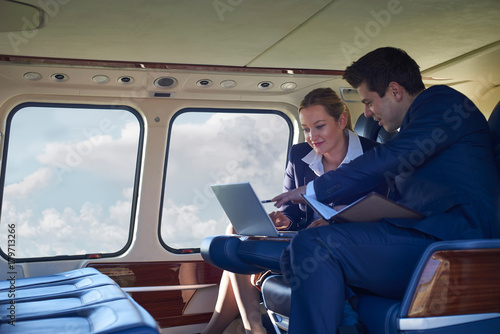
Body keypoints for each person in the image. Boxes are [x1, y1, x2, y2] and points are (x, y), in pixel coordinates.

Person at [271, 47, 500, 333]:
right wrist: (349, 214)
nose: (366, 112)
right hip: (427, 235)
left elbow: (390, 158)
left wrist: (315, 188)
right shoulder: (415, 128)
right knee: (301, 246)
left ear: (394, 90)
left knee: (313, 246)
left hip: (459, 242)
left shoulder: (442, 104)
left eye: (369, 102)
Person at [202, 88, 382, 334]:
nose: (311, 136)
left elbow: (380, 215)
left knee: (236, 252)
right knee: (235, 231)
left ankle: (240, 330)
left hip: (342, 246)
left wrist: (336, 225)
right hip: (301, 237)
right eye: (306, 129)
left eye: (319, 126)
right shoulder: (300, 156)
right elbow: (292, 212)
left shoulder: (373, 155)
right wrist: (283, 219)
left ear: (341, 121)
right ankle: (252, 329)